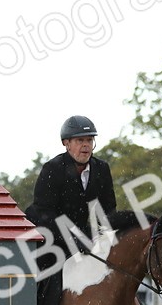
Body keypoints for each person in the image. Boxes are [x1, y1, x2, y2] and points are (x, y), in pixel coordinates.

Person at [24, 115, 117, 287]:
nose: (86, 145)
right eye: (80, 140)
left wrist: (110, 236)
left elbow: (107, 210)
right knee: (46, 279)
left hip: (80, 233)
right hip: (47, 237)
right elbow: (44, 213)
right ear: (66, 143)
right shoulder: (52, 168)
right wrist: (73, 238)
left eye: (89, 140)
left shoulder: (101, 169)